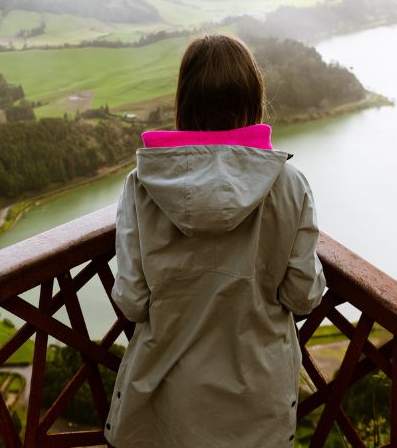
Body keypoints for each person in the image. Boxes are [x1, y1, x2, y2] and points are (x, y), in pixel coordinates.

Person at [105, 33, 326, 447]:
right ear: (253, 98)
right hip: (258, 404)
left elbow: (133, 300)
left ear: (184, 100)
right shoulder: (290, 184)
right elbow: (303, 296)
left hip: (166, 401)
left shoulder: (142, 185)